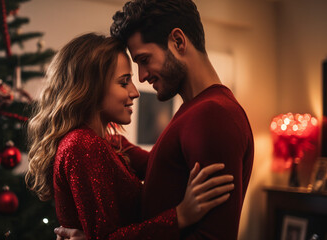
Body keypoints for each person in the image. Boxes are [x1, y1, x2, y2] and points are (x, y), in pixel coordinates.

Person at [56, 0, 254, 239]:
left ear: (178, 42)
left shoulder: (213, 114)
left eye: (144, 60)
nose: (141, 77)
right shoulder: (195, 113)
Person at [26, 33, 235, 239]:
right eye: (124, 82)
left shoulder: (110, 141)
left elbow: (157, 166)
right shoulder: (81, 145)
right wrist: (180, 216)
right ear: (91, 88)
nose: (135, 92)